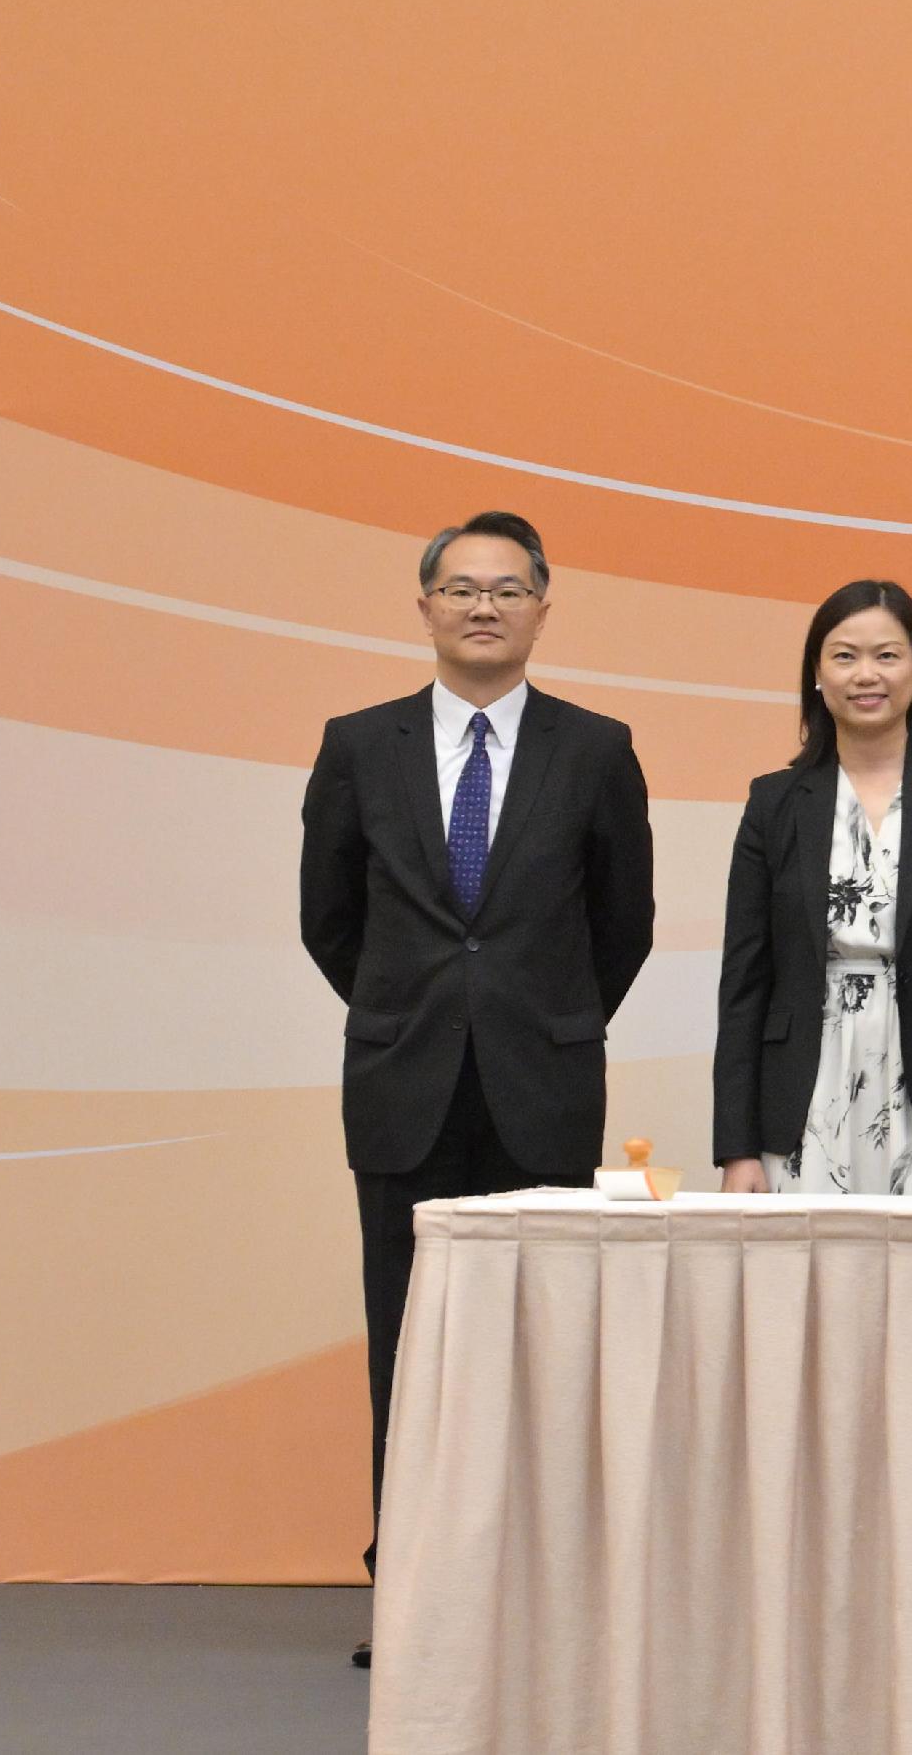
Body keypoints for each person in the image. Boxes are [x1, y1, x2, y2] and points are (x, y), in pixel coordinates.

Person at [299, 510, 654, 1660]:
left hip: (539, 1086)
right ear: (425, 608)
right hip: (404, 1080)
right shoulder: (360, 742)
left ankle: (535, 1593)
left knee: (539, 1345)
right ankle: (406, 1590)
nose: (484, 606)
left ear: (544, 609)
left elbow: (623, 923)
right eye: (461, 588)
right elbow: (329, 916)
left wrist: (541, 1018)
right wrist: (420, 1008)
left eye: (508, 589)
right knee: (403, 1337)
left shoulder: (596, 747)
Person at [713, 582, 912, 1196]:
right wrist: (737, 1146)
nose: (866, 675)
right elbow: (743, 983)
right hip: (802, 1090)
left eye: (887, 655)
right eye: (844, 656)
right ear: (816, 674)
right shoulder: (774, 803)